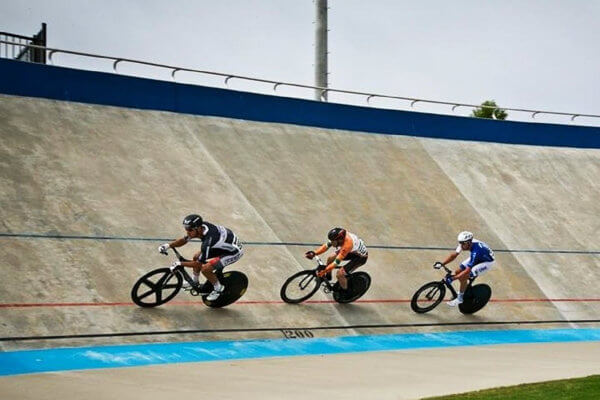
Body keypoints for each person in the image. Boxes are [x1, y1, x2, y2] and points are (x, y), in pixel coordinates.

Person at [158, 214, 244, 301]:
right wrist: (168, 245)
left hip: (233, 252)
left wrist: (180, 264)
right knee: (196, 256)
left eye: (190, 229)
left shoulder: (208, 241)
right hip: (222, 246)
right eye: (186, 229)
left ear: (198, 228)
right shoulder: (202, 227)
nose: (187, 232)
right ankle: (194, 281)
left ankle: (218, 289)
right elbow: (184, 240)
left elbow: (198, 264)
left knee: (206, 269)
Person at [434, 231, 495, 307]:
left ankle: (460, 299)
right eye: (460, 243)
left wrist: (453, 279)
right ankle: (464, 289)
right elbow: (454, 255)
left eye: (463, 244)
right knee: (457, 272)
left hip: (486, 262)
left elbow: (467, 270)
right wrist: (442, 264)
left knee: (464, 276)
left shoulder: (476, 252)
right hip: (479, 256)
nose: (461, 246)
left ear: (469, 242)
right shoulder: (464, 243)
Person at [304, 227, 368, 293]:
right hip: (352, 251)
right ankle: (328, 277)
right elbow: (326, 246)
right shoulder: (338, 238)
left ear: (340, 240)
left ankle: (346, 291)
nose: (331, 242)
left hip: (360, 257)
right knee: (330, 258)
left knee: (340, 274)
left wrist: (324, 271)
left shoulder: (347, 245)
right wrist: (314, 253)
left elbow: (336, 263)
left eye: (333, 241)